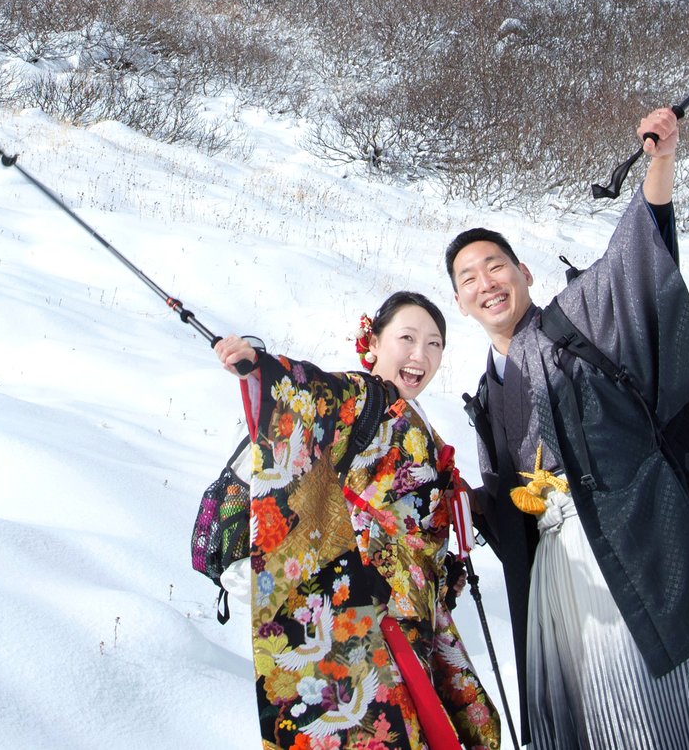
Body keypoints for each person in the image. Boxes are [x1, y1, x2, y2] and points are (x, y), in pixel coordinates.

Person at [449, 108, 689, 749]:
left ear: (524, 274)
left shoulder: (576, 318)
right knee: (578, 727)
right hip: (557, 574)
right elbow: (509, 512)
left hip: (625, 551)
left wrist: (660, 164)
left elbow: (636, 259)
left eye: (496, 266)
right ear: (460, 301)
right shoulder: (485, 390)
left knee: (643, 721)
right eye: (469, 278)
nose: (486, 283)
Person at [214, 293, 506, 750]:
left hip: (415, 613)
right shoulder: (370, 398)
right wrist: (264, 367)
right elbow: (325, 395)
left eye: (433, 344)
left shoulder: (415, 420)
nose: (420, 355)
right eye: (406, 338)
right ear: (371, 343)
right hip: (375, 612)